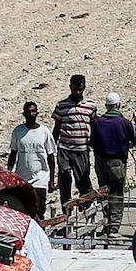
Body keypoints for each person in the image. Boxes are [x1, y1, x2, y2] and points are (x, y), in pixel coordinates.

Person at [90, 92, 136, 234]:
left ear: (106, 106)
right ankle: (114, 228)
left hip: (100, 162)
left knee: (104, 193)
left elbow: (92, 142)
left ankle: (106, 223)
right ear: (118, 105)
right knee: (117, 195)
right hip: (117, 163)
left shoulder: (97, 123)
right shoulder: (124, 123)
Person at [51, 76, 96, 206]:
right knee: (64, 177)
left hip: (82, 149)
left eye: (80, 89)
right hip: (65, 149)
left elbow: (93, 126)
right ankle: (66, 208)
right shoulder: (61, 105)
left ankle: (87, 207)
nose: (77, 92)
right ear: (70, 87)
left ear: (84, 88)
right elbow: (57, 128)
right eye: (75, 89)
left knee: (83, 179)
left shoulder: (91, 106)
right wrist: (52, 147)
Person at [5, 101, 54, 199]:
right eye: (28, 112)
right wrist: (8, 174)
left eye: (33, 112)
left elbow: (51, 157)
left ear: (37, 113)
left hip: (40, 179)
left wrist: (51, 180)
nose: (31, 115)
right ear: (24, 114)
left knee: (40, 208)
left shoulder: (44, 132)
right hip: (22, 178)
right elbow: (13, 154)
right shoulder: (18, 131)